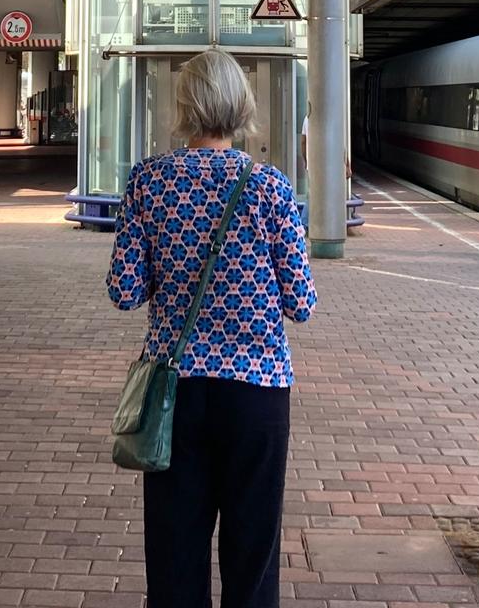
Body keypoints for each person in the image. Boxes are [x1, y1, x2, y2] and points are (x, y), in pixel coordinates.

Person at [107, 50, 316, 608]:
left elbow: (124, 292)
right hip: (257, 391)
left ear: (183, 106)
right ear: (242, 107)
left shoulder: (149, 181)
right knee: (253, 560)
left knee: (175, 556)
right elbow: (301, 304)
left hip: (174, 393)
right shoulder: (270, 187)